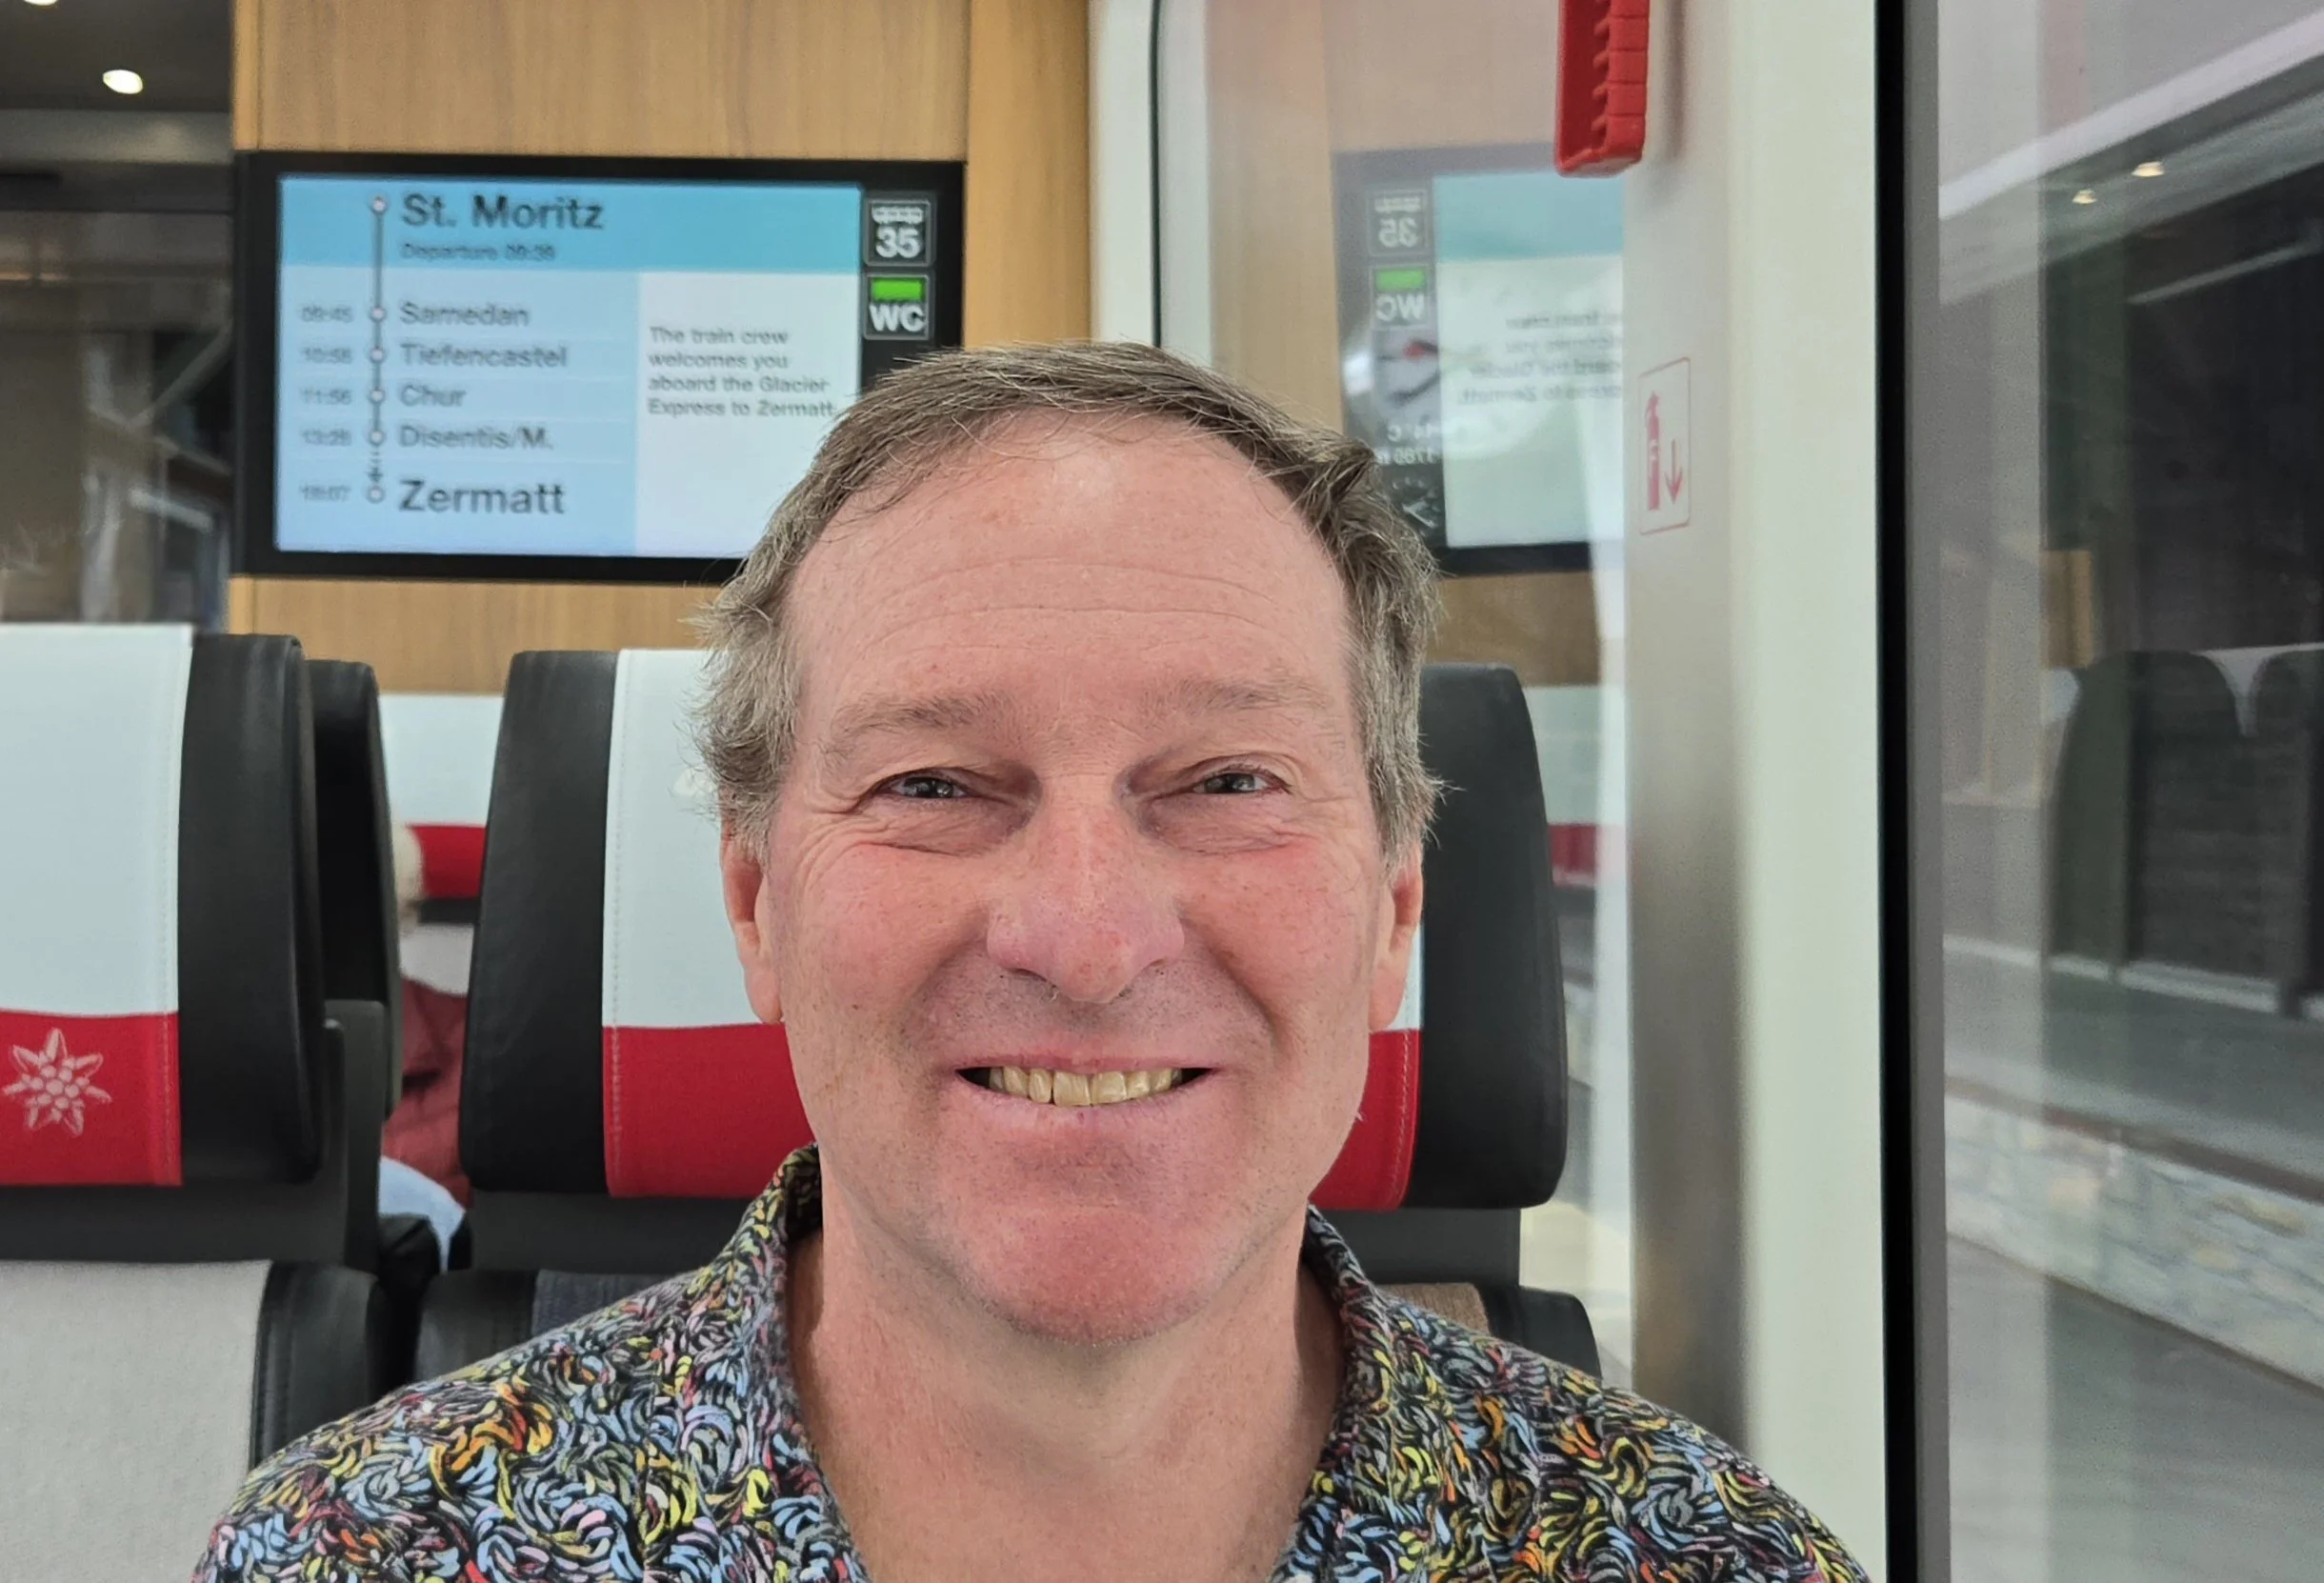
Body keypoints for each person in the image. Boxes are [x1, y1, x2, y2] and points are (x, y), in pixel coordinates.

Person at [195, 342, 1866, 1583]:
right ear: (758, 907)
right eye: (933, 784)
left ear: (1394, 913)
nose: (1085, 939)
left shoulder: (1705, 1559)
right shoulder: (369, 1554)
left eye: (1229, 780)